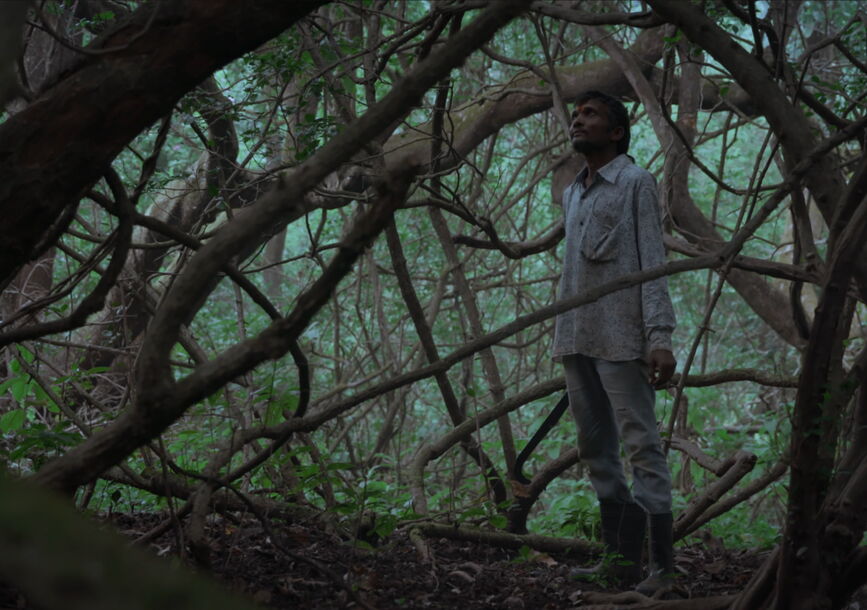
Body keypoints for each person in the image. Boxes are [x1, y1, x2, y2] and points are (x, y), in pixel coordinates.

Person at [553, 90, 677, 595]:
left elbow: (652, 261)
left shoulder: (635, 182)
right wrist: (562, 335)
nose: (578, 121)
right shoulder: (573, 192)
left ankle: (663, 570)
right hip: (576, 337)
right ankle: (619, 563)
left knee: (642, 447)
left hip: (623, 339)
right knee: (596, 452)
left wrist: (660, 337)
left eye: (591, 115)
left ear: (617, 130)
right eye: (576, 114)